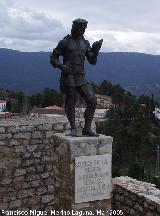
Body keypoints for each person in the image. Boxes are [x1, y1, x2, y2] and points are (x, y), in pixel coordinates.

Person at [50, 18, 103, 136]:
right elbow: (53, 58)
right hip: (69, 76)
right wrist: (61, 66)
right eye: (80, 28)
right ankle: (73, 128)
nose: (82, 31)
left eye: (84, 29)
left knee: (92, 100)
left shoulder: (85, 43)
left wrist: (96, 51)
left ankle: (87, 128)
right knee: (71, 101)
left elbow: (92, 61)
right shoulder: (65, 42)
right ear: (74, 27)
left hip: (81, 76)